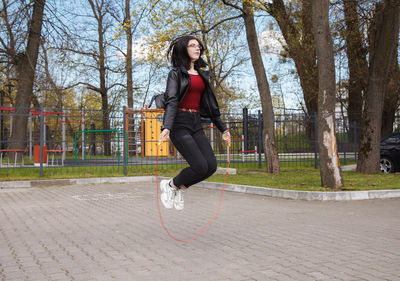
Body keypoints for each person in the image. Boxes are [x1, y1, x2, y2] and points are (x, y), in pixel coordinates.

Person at [158, 35, 231, 211]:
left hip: (196, 123)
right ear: (184, 49)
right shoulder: (175, 74)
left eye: (198, 46)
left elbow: (210, 105)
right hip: (179, 124)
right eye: (192, 46)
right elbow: (172, 101)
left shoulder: (202, 75)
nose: (197, 48)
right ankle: (170, 186)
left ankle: (180, 187)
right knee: (199, 165)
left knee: (210, 166)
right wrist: (166, 127)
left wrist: (223, 129)